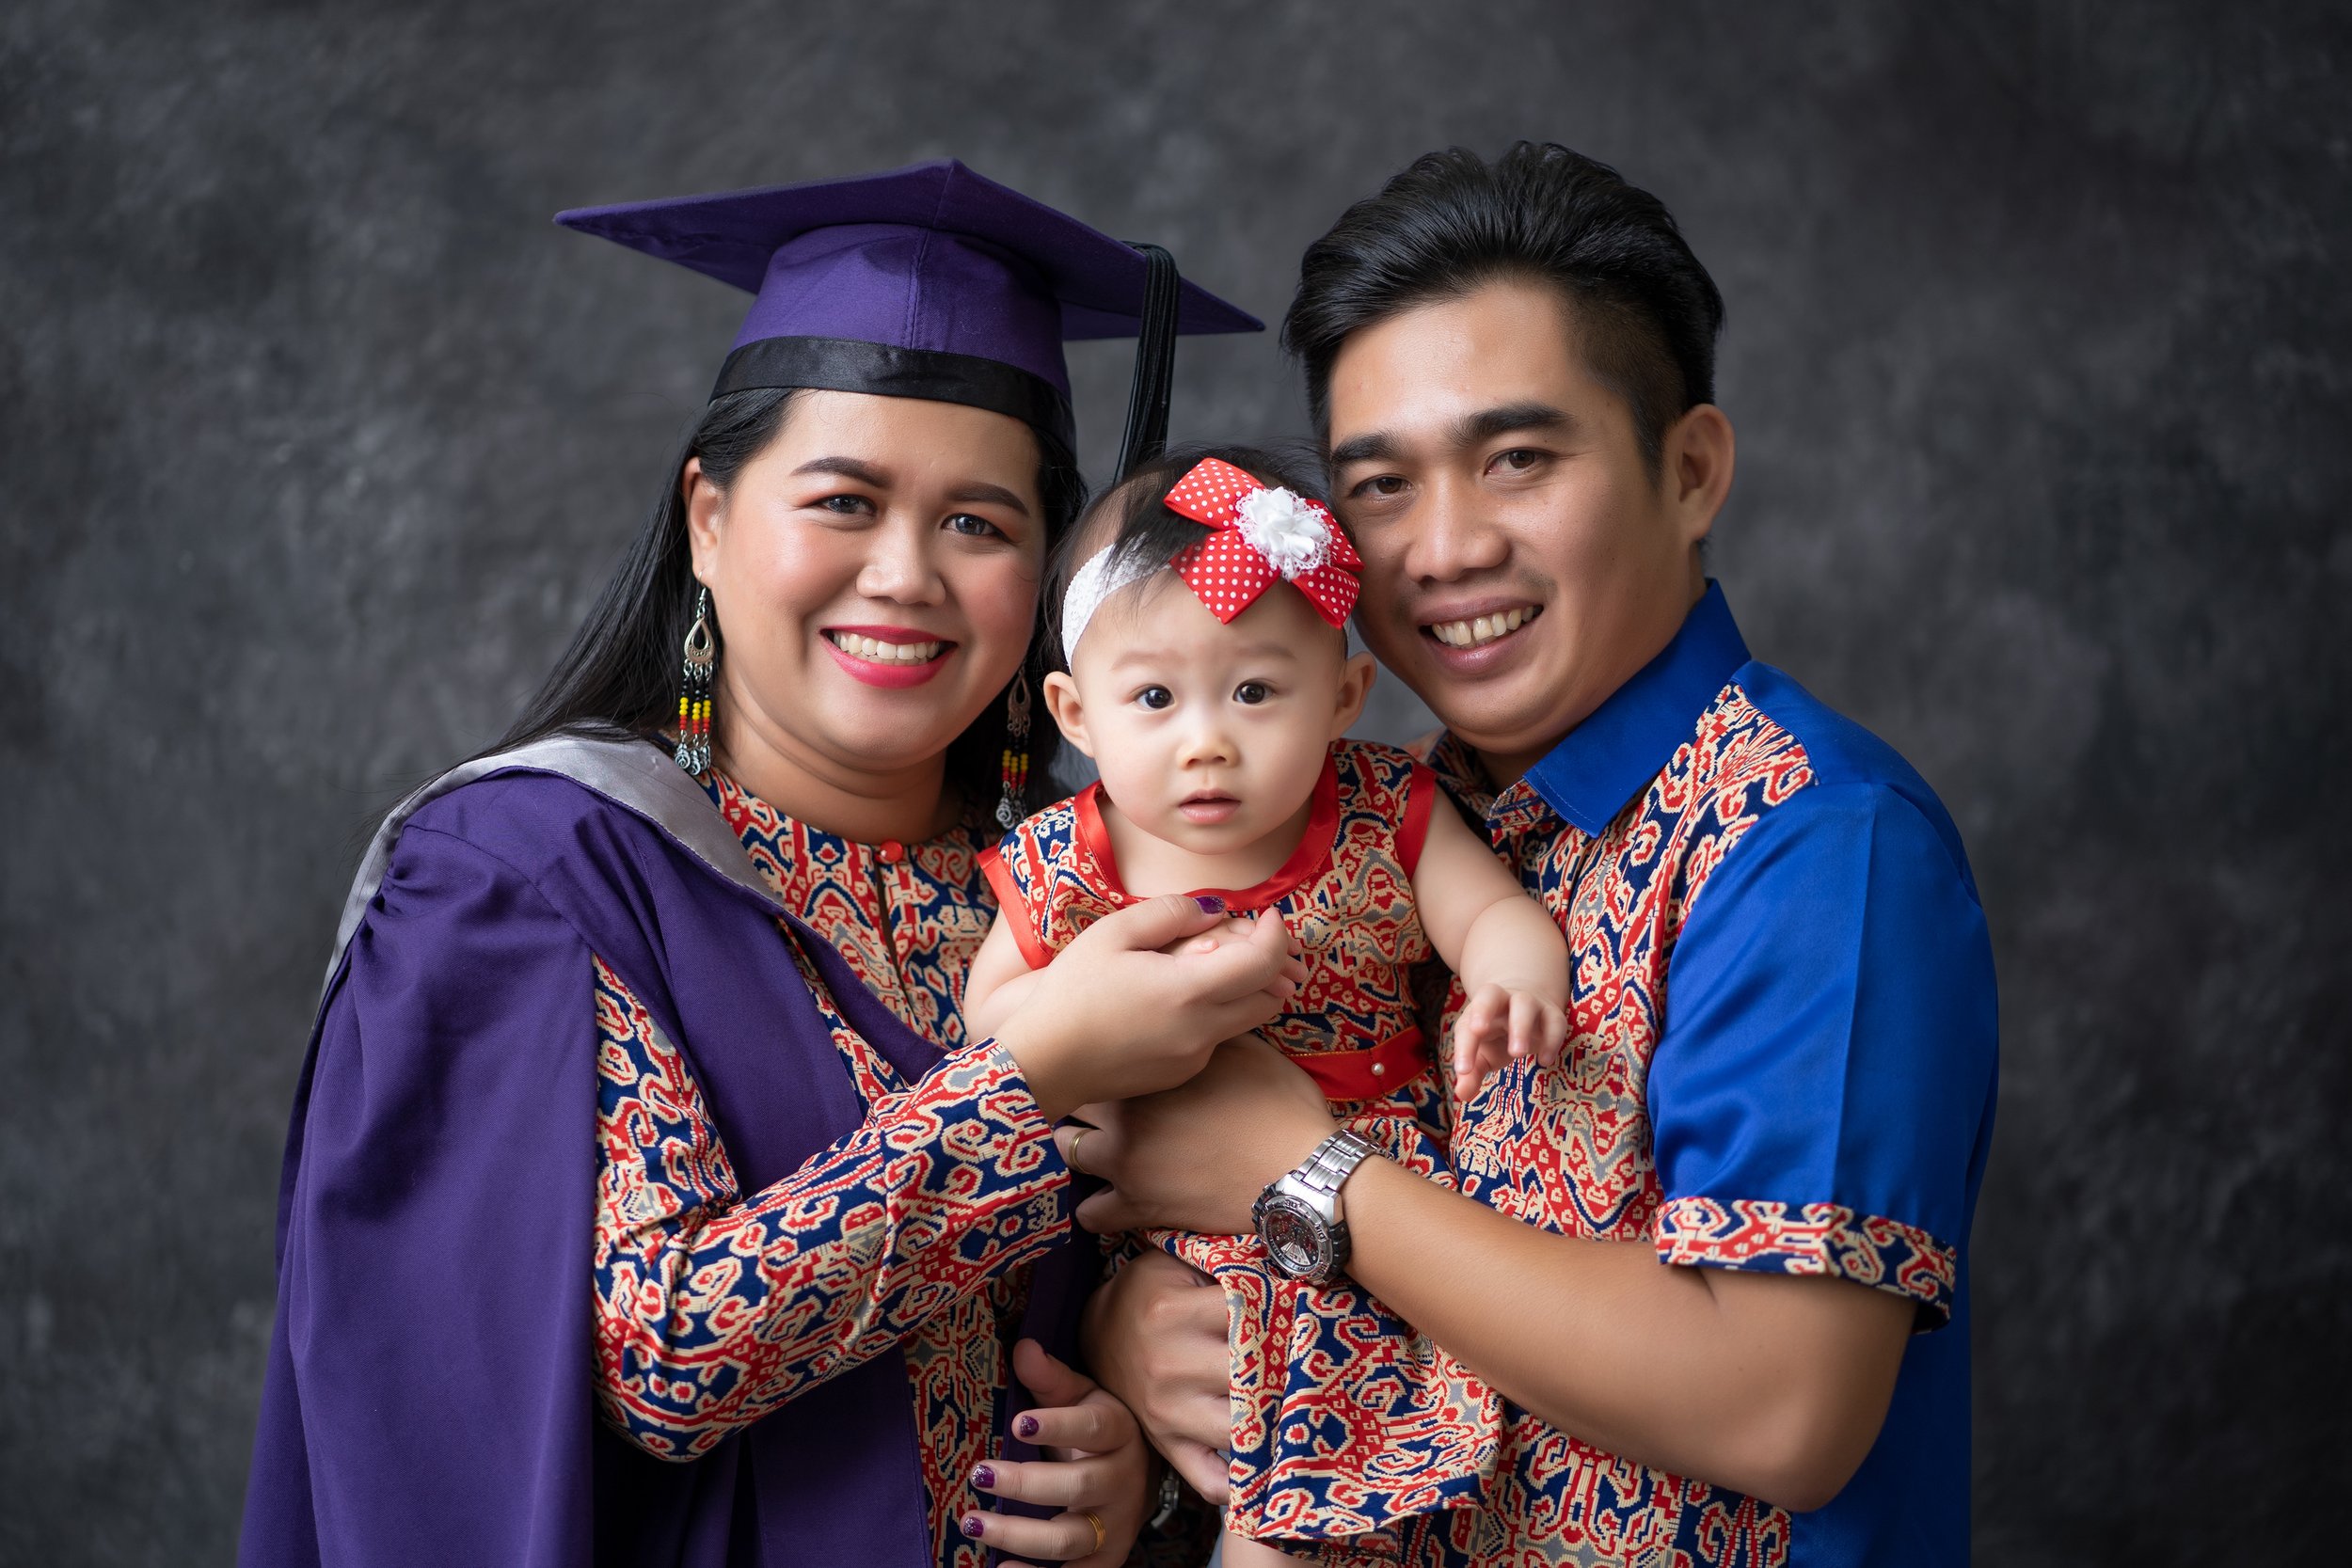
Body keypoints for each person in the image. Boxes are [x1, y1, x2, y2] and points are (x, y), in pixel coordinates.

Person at [237, 159, 1297, 1568]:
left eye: (978, 521)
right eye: (844, 500)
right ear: (709, 517)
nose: (906, 573)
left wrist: (1134, 1475)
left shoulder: (1089, 886)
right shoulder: (525, 876)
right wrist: (1026, 1078)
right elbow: (656, 1359)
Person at [1074, 143, 2000, 1567]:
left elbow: (1780, 1405)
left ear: (1689, 470)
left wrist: (1301, 1175)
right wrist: (1137, 1325)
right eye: (1381, 486)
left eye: (1517, 459)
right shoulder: (1368, 819)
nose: (1444, 548)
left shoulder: (1811, 839)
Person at [962, 445, 1569, 1564]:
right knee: (1231, 1456)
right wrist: (1079, 1021)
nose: (1207, 739)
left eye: (1253, 690)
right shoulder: (1065, 863)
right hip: (1168, 1228)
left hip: (1372, 1189)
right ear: (1076, 711)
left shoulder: (1385, 809)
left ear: (1342, 696)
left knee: (1319, 1488)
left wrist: (1514, 975)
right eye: (1154, 697)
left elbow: (1489, 912)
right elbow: (991, 1022)